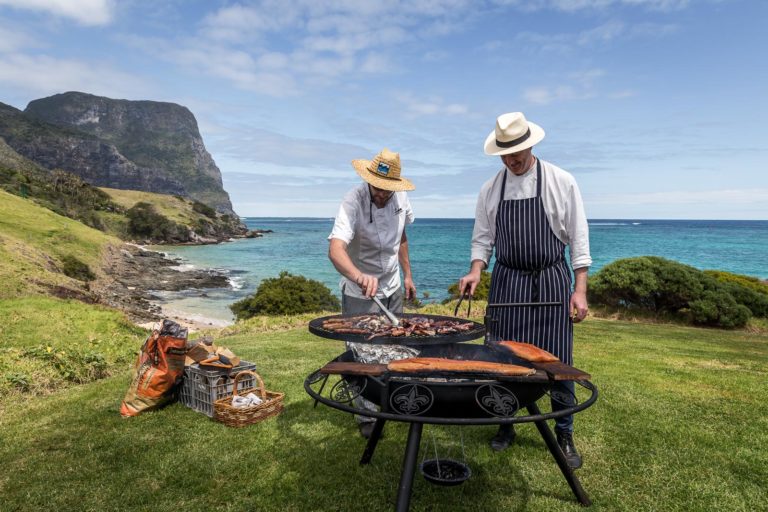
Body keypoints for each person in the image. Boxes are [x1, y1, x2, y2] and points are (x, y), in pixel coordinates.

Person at [458, 112, 591, 469]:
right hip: (507, 282)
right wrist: (475, 271)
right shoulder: (490, 190)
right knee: (501, 361)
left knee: (558, 363)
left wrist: (579, 290)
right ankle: (506, 425)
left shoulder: (561, 181)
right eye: (505, 154)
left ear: (531, 144)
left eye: (517, 152)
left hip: (550, 280)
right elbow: (482, 239)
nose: (512, 160)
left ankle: (564, 433)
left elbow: (578, 239)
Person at [328, 148, 417, 438]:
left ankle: (396, 403)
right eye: (377, 187)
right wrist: (358, 275)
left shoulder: (401, 198)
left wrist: (408, 276)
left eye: (387, 189)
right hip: (359, 290)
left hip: (392, 285)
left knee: (396, 347)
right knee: (361, 353)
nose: (381, 193)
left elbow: (402, 237)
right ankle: (366, 415)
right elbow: (336, 249)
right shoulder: (352, 200)